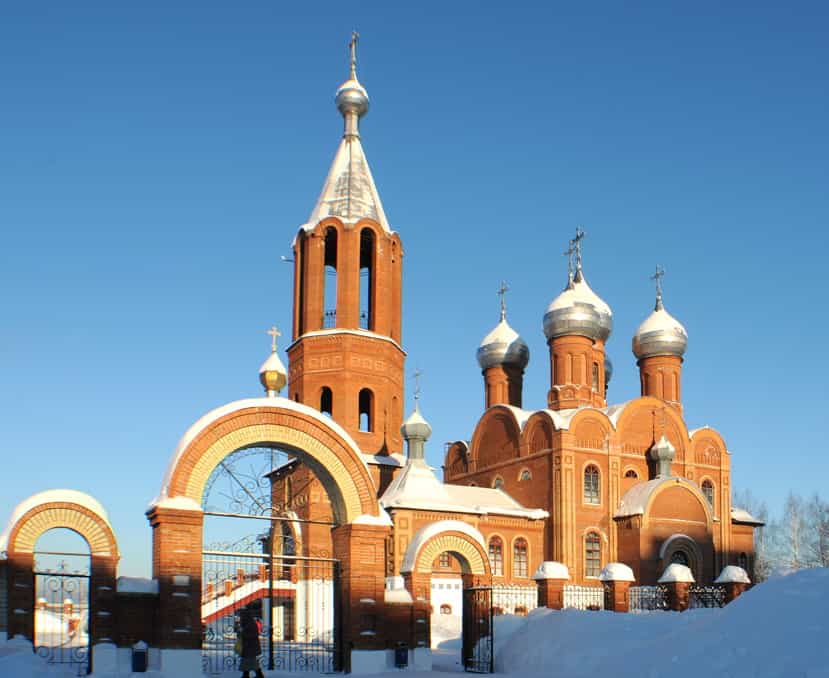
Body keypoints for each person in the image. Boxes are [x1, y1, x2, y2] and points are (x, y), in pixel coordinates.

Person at [237, 607, 264, 678]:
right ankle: (247, 674)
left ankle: (258, 675)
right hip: (249, 647)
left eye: (241, 616)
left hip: (250, 647)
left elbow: (252, 635)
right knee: (247, 662)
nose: (240, 618)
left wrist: (242, 634)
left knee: (251, 662)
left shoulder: (250, 624)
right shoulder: (247, 623)